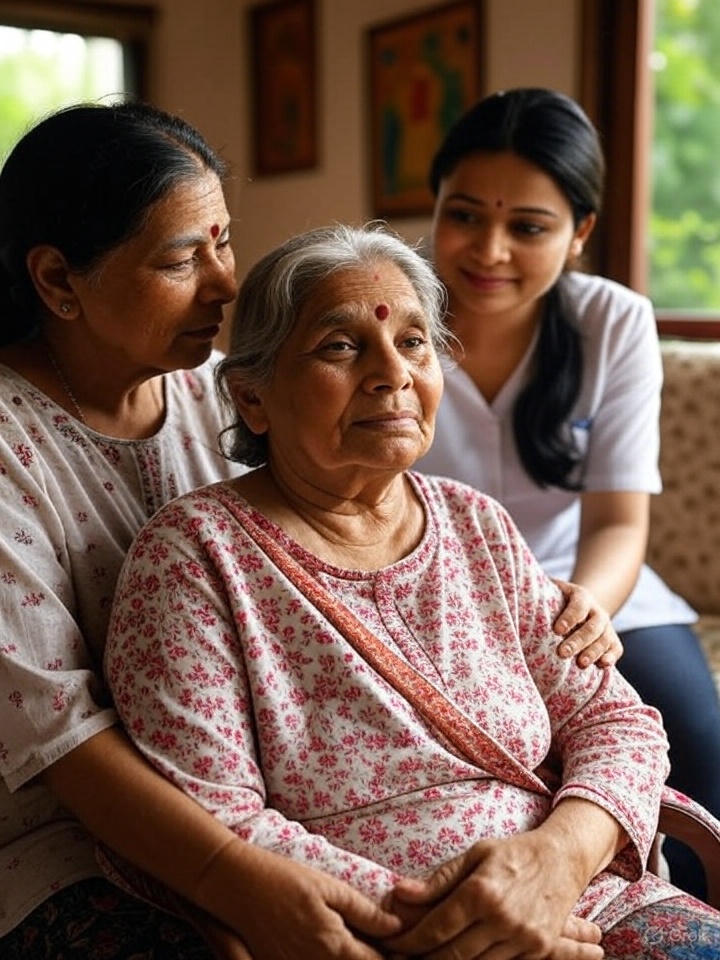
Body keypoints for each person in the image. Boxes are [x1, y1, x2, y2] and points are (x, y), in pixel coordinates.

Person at [105, 223, 720, 959]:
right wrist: (469, 919)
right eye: (341, 346)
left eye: (415, 343)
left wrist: (555, 862)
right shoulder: (196, 557)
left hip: (579, 901)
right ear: (253, 397)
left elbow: (616, 724)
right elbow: (213, 817)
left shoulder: (477, 526)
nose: (391, 373)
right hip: (372, 936)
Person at [0, 103, 404, 960]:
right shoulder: (9, 446)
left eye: (223, 241)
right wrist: (230, 882)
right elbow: (58, 737)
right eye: (183, 259)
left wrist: (537, 601)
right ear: (58, 280)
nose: (226, 284)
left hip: (263, 796)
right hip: (60, 835)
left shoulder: (232, 389)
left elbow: (371, 521)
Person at [415, 87, 720, 898]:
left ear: (580, 232)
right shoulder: (389, 311)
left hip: (580, 583)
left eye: (529, 227)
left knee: (696, 731)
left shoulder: (611, 322)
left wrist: (586, 604)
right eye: (465, 214)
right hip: (425, 594)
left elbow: (620, 521)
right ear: (433, 206)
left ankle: (676, 913)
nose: (489, 250)